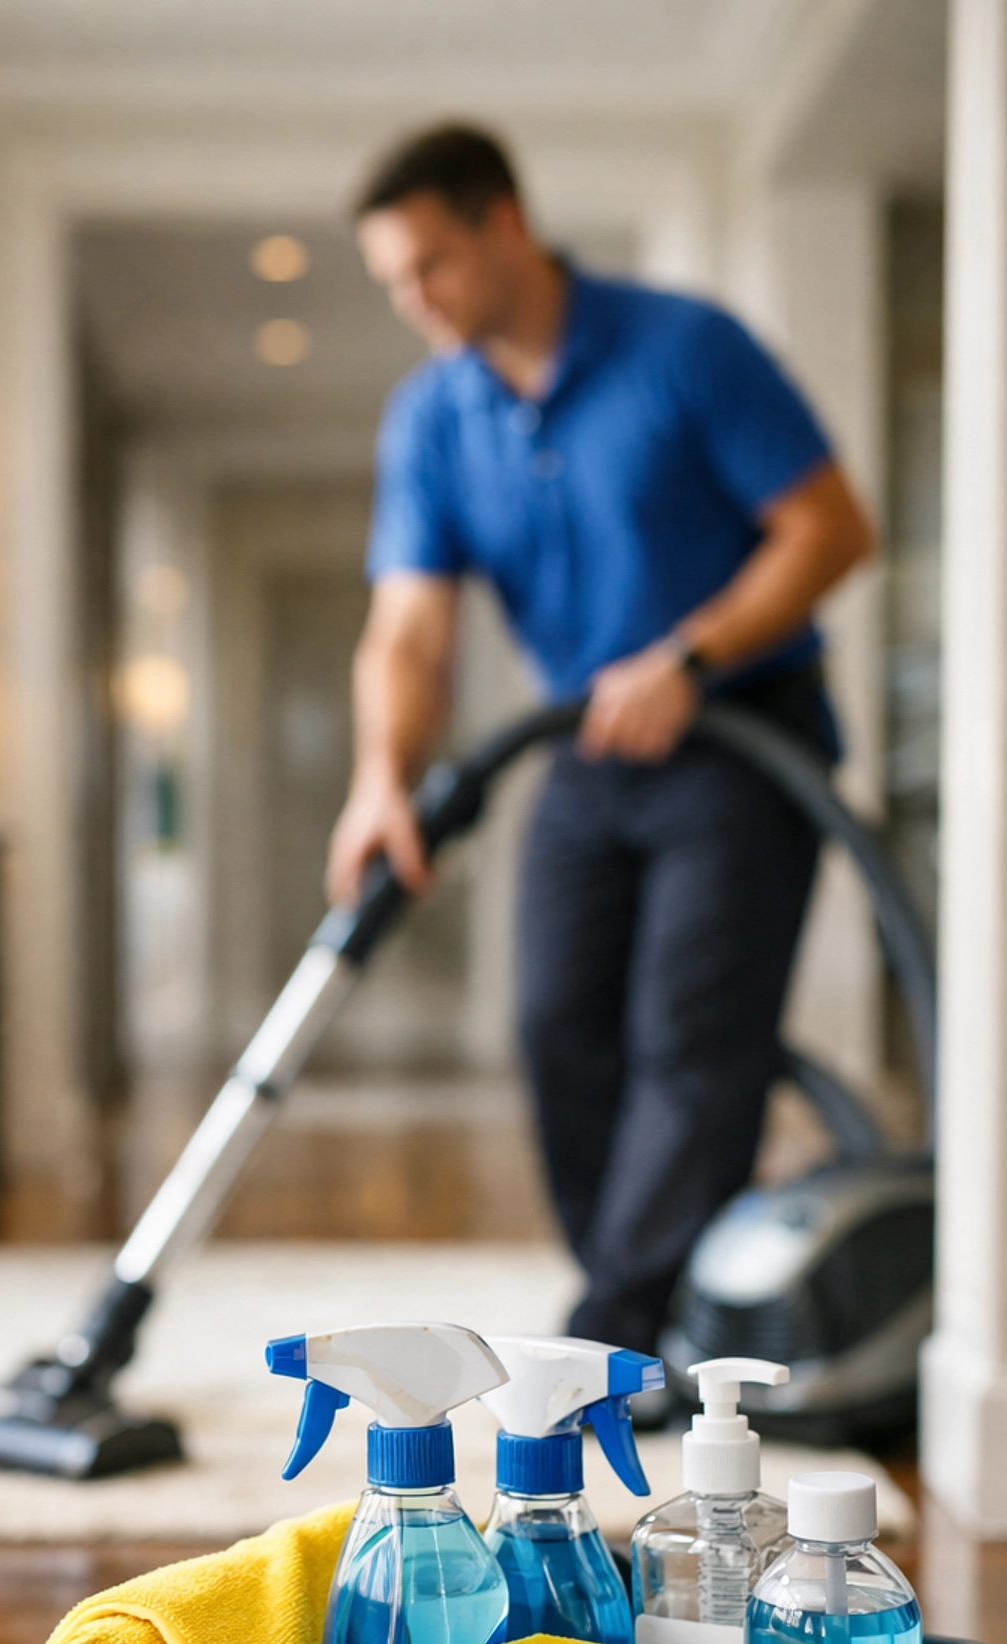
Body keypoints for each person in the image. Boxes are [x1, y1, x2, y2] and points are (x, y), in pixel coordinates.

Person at [328, 123, 876, 1357]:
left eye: (431, 268)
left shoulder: (686, 349)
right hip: (588, 745)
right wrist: (380, 779)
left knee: (692, 1034)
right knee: (556, 1025)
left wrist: (691, 654)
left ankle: (613, 1333)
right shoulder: (433, 416)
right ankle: (647, 1311)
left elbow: (832, 530)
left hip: (743, 733)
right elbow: (409, 630)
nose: (415, 303)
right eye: (394, 283)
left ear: (504, 224)